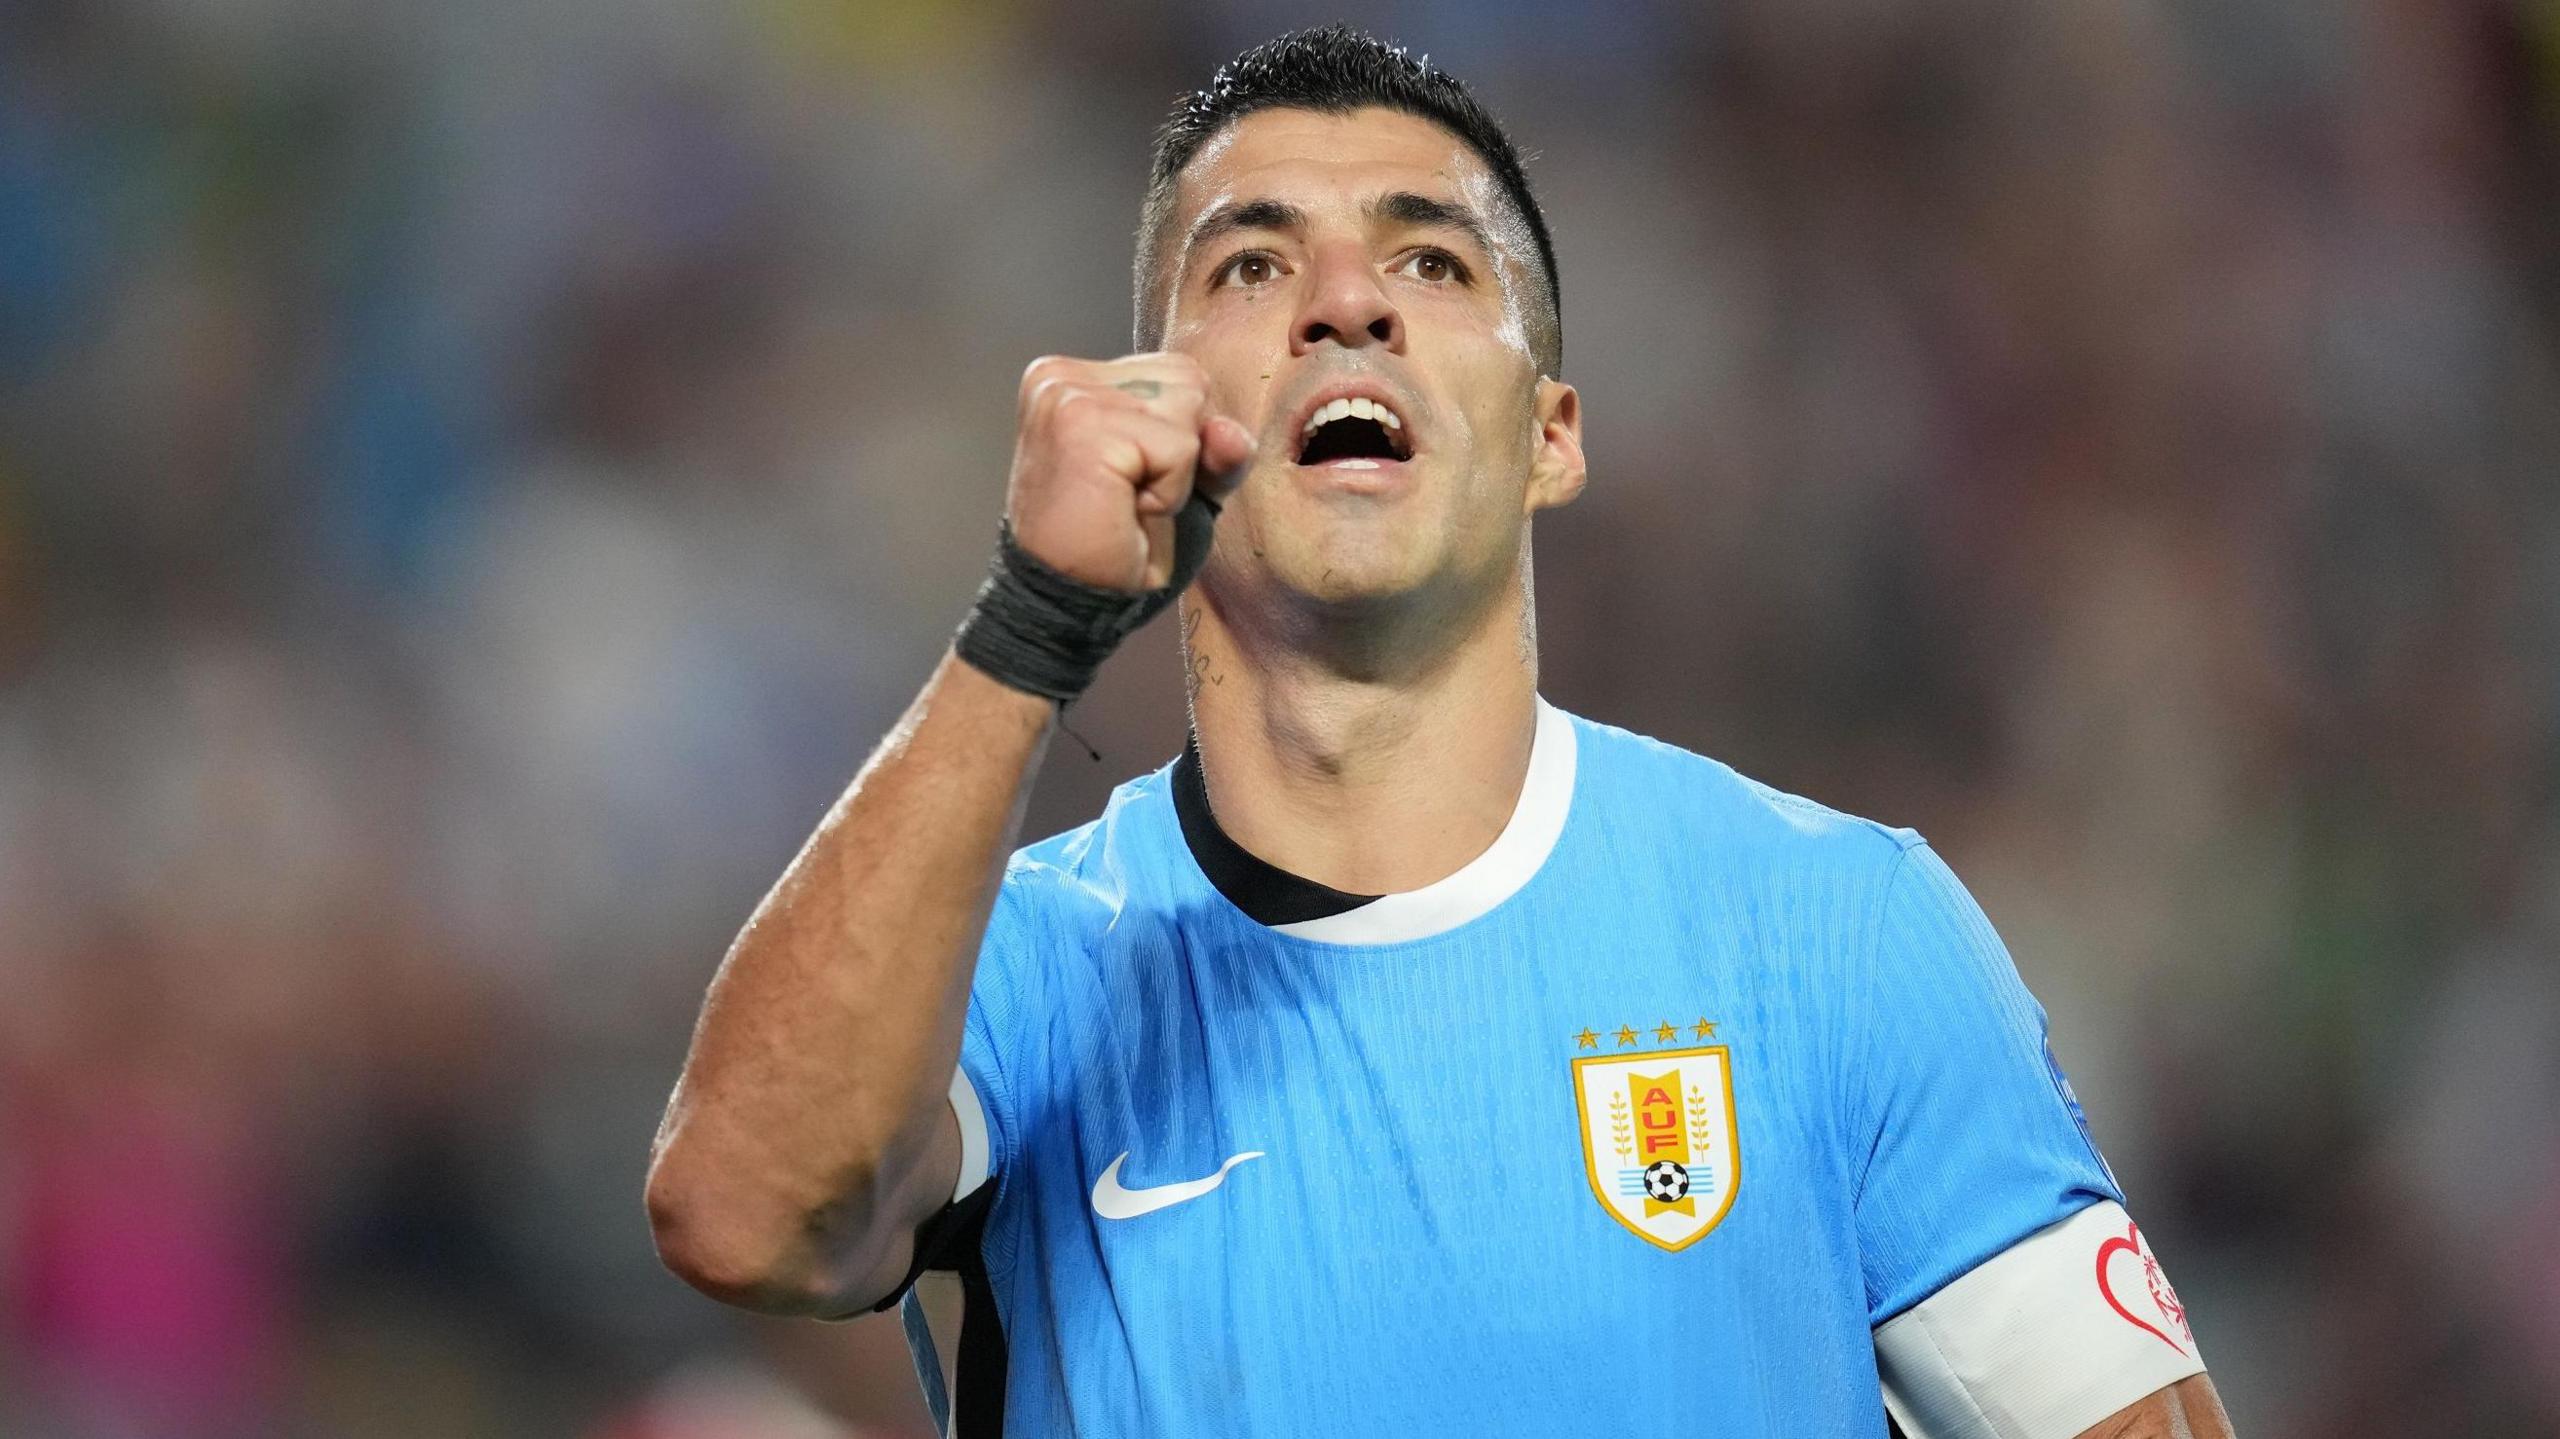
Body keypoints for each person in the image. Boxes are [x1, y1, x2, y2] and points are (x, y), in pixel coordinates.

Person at [645, 25, 2234, 1438]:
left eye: (1432, 263)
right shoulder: (1025, 981)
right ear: (1158, 406)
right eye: (1251, 268)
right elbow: (741, 1214)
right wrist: (1030, 622)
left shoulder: (1838, 936)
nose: (1346, 303)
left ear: (1552, 437)